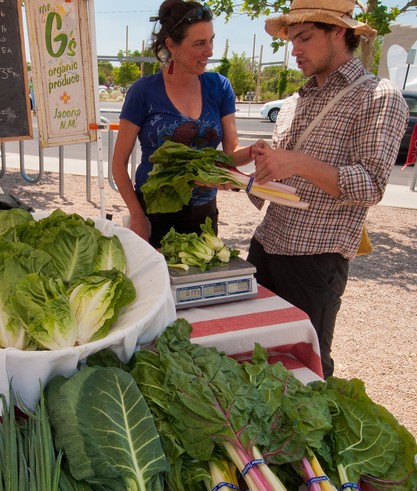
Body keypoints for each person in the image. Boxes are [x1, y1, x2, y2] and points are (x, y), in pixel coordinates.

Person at [246, 0, 409, 378]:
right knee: (255, 354)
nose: (294, 50)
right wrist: (251, 173)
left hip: (315, 258)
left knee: (307, 365)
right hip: (266, 242)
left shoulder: (378, 96)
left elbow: (370, 185)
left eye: (304, 38)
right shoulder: (295, 101)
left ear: (339, 32)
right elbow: (280, 177)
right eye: (291, 40)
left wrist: (296, 162)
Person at [111, 0, 254, 248]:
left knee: (200, 283)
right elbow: (118, 164)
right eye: (199, 43)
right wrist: (137, 215)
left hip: (204, 215)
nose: (209, 51)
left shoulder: (220, 87)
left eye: (211, 40)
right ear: (171, 45)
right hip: (154, 212)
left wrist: (254, 152)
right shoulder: (143, 91)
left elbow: (231, 154)